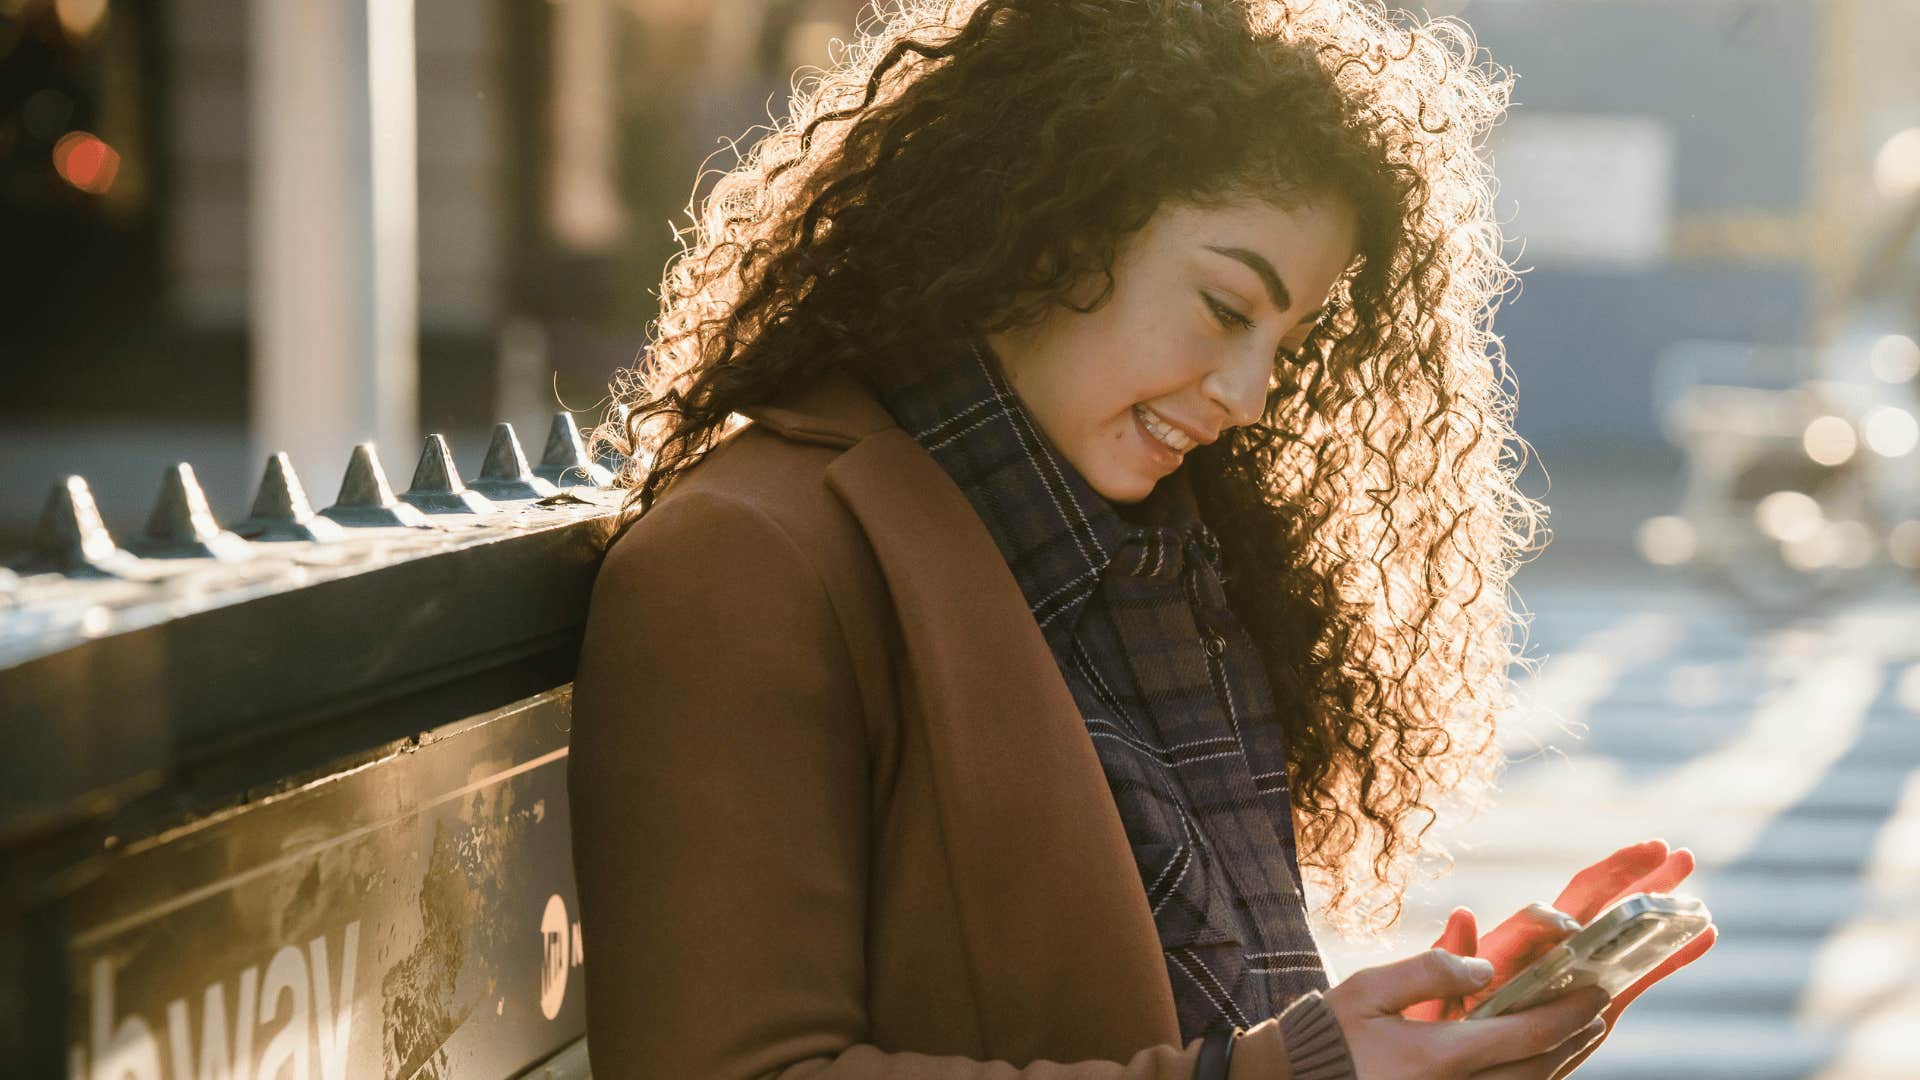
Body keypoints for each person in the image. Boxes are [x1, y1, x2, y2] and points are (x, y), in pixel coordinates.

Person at [566, 1, 1716, 1077]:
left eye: (1289, 339)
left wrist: (1417, 1046)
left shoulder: (1165, 567)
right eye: (1226, 308)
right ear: (1045, 230)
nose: (1251, 391)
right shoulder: (750, 561)